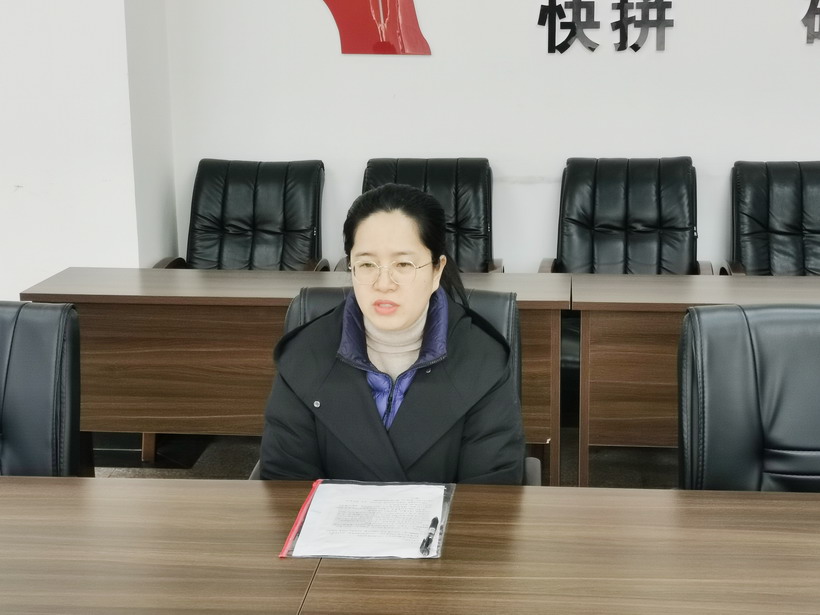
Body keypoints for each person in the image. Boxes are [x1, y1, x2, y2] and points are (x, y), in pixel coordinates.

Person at [259, 183, 524, 484]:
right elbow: (286, 485)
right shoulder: (303, 355)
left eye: (403, 264)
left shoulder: (484, 360)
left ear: (437, 270)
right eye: (367, 264)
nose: (383, 283)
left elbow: (491, 494)